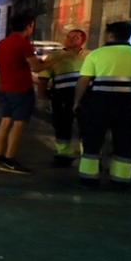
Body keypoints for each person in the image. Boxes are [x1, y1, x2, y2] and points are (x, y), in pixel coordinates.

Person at [72, 21, 131, 190]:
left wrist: (77, 102)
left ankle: (89, 179)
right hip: (128, 105)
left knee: (93, 140)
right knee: (125, 143)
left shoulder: (95, 55)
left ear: (110, 35)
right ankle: (121, 180)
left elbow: (83, 81)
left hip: (99, 103)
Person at [0, 11, 46, 174]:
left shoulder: (3, 43)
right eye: (32, 26)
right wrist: (55, 60)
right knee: (18, 125)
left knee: (5, 122)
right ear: (28, 26)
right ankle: (10, 160)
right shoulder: (23, 43)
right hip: (22, 90)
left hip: (6, 88)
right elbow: (36, 67)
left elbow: (15, 66)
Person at [37, 29, 87, 167]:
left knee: (87, 126)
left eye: (75, 38)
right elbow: (43, 79)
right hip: (62, 96)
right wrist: (42, 99)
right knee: (62, 125)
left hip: (86, 96)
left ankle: (88, 155)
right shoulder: (55, 56)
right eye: (68, 37)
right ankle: (63, 155)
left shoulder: (89, 56)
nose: (70, 40)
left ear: (83, 40)